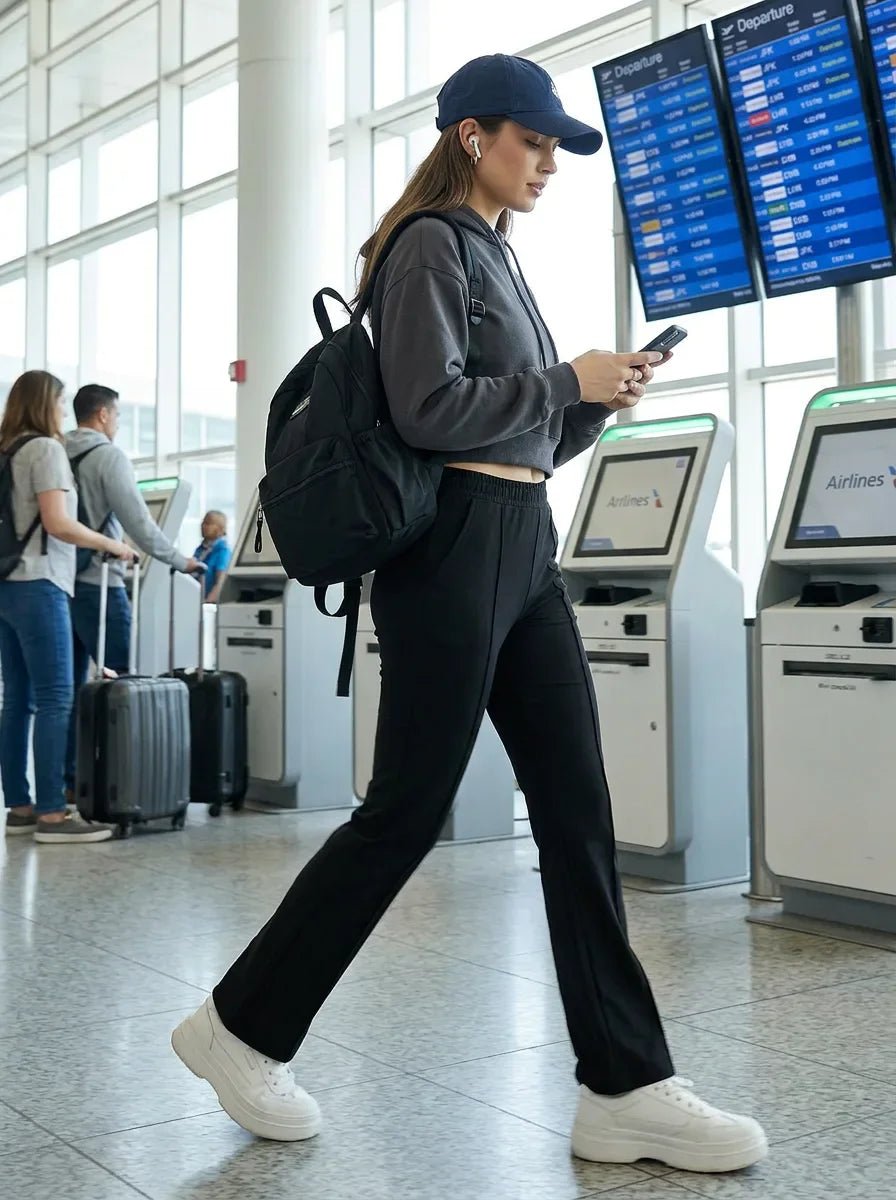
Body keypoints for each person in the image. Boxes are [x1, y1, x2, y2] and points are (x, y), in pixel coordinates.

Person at [171, 55, 768, 1173]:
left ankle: (623, 1084)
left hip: (518, 542)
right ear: (468, 137)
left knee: (578, 809)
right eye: (531, 141)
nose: (546, 163)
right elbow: (431, 408)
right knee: (405, 811)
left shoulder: (495, 254)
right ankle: (240, 1026)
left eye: (554, 148)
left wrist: (593, 398)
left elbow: (519, 434)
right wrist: (562, 380)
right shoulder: (429, 247)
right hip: (448, 551)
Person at [0, 371, 135, 844]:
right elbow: (59, 522)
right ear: (45, 404)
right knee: (57, 695)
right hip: (41, 583)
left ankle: (19, 805)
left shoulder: (5, 450)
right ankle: (54, 815)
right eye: (59, 403)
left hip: (6, 586)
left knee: (17, 698)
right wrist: (113, 546)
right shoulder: (45, 449)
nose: (63, 412)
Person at [63, 384, 201, 798]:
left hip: (59, 583)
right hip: (98, 583)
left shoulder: (57, 453)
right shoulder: (107, 456)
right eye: (118, 417)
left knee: (66, 688)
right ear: (104, 415)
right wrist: (182, 561)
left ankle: (73, 782)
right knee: (127, 678)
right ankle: (130, 778)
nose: (118, 424)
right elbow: (139, 523)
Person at [193, 510, 231, 603]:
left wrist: (206, 604)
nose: (203, 526)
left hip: (207, 604)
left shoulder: (222, 551)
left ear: (220, 528)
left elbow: (220, 583)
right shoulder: (200, 549)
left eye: (208, 523)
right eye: (203, 522)